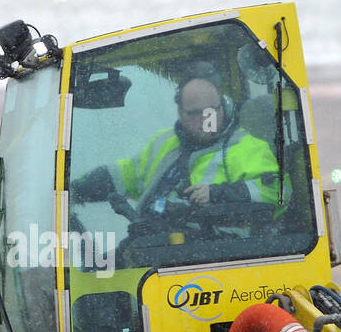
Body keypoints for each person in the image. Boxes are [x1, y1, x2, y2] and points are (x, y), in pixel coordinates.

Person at [72, 66, 284, 218]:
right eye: (194, 114)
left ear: (223, 107)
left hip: (218, 255)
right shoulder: (165, 142)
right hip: (151, 246)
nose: (205, 120)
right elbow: (128, 173)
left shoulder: (250, 148)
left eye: (210, 111)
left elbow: (279, 192)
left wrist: (216, 194)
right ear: (180, 113)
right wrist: (75, 190)